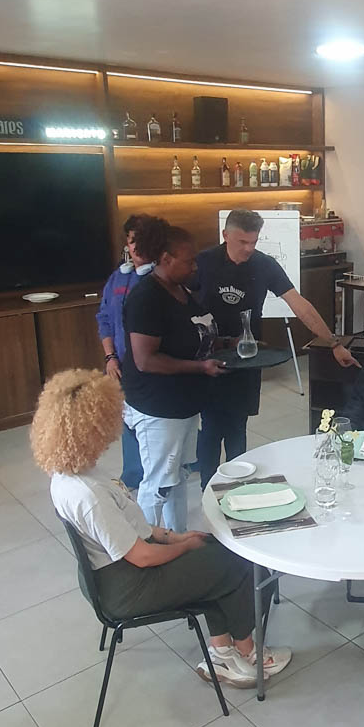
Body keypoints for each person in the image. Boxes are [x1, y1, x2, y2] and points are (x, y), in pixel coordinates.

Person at [31, 369, 292, 688]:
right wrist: (185, 546)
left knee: (217, 549)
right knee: (235, 560)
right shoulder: (88, 494)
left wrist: (175, 536)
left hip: (114, 574)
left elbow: (132, 526)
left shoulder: (70, 475)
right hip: (127, 586)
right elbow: (142, 557)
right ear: (91, 429)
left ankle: (223, 652)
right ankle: (247, 651)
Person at [194, 209, 360, 489]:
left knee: (237, 425)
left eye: (253, 242)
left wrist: (333, 343)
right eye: (242, 242)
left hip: (247, 355)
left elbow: (300, 305)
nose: (249, 249)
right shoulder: (203, 262)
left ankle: (238, 486)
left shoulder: (264, 265)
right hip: (209, 356)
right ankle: (206, 488)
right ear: (225, 235)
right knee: (211, 426)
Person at [122, 217, 226, 531]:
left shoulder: (180, 289)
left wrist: (229, 343)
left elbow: (191, 334)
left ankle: (177, 539)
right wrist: (200, 367)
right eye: (189, 260)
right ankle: (148, 545)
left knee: (178, 477)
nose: (195, 266)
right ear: (166, 259)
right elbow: (145, 360)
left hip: (183, 404)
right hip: (158, 407)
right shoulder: (146, 298)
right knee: (158, 483)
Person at [96, 214, 154, 490]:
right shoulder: (118, 278)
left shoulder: (159, 279)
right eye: (131, 241)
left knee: (154, 421)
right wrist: (110, 357)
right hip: (120, 364)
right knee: (128, 418)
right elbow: (104, 318)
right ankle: (132, 475)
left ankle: (184, 461)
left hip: (150, 366)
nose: (136, 247)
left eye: (141, 241)